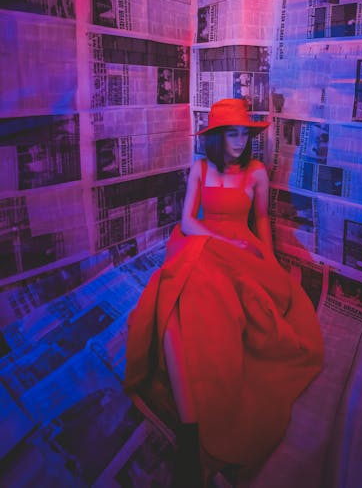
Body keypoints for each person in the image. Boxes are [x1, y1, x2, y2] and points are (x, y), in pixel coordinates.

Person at [124, 98, 324, 487]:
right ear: (215, 137)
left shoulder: (257, 172)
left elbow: (262, 220)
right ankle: (190, 431)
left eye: (245, 133)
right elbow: (187, 220)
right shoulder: (199, 168)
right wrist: (226, 244)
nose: (240, 141)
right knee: (174, 300)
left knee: (209, 307)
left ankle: (193, 427)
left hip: (241, 248)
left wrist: (268, 261)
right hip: (199, 240)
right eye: (232, 133)